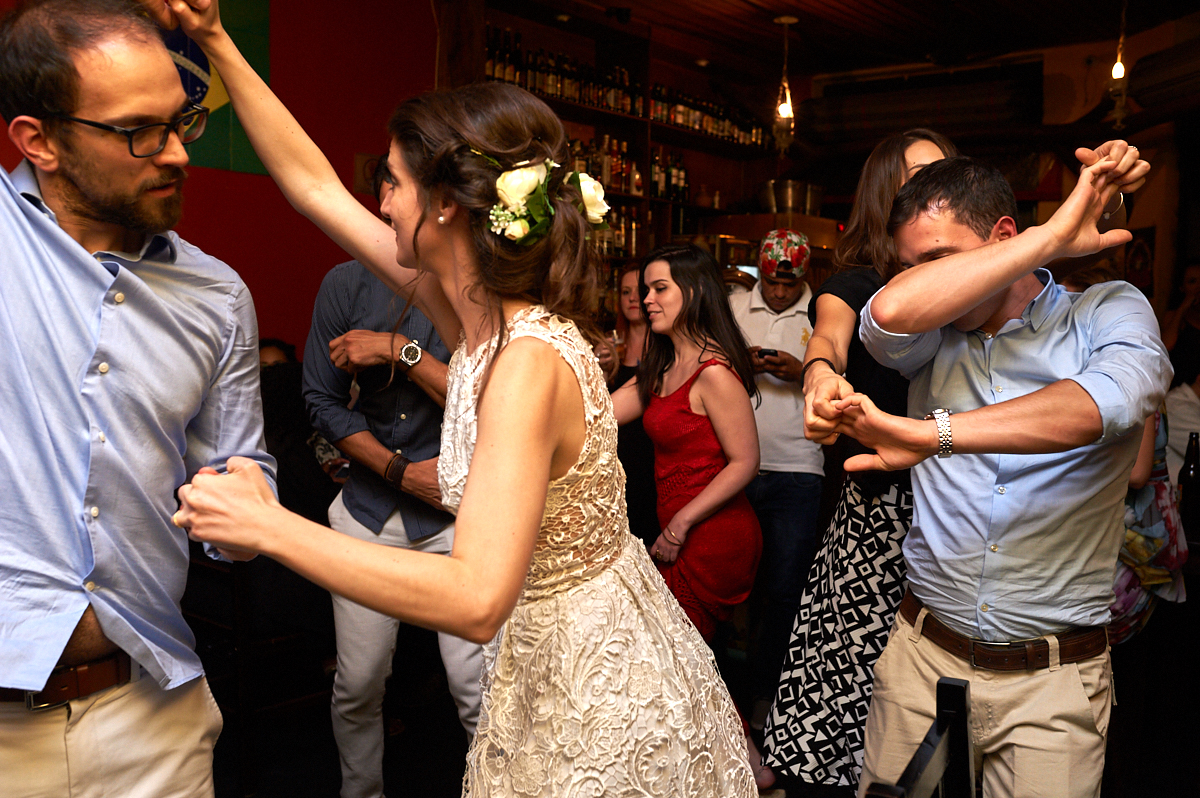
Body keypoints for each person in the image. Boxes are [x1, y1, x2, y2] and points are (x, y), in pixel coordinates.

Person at [161, 1, 757, 795]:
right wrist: (214, 41)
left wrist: (271, 527)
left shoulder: (525, 363)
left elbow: (476, 596)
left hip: (592, 684)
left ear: (445, 203)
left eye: (396, 183)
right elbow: (312, 188)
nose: (381, 202)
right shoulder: (476, 319)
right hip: (545, 656)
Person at [0, 1, 276, 796]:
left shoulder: (217, 295)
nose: (178, 154)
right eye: (138, 132)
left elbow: (239, 474)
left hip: (153, 717)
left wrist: (248, 501)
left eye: (180, 121)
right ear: (39, 140)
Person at [826, 152, 1164, 798]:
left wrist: (933, 435)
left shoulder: (1107, 313)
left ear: (1002, 239)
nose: (930, 283)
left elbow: (1101, 406)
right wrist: (1053, 235)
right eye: (911, 264)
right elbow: (890, 312)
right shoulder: (927, 335)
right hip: (922, 659)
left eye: (942, 259)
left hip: (1052, 681)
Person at [761, 128, 954, 790]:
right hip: (883, 514)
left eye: (945, 173)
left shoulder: (973, 286)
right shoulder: (859, 281)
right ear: (885, 193)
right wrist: (818, 376)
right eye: (919, 175)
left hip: (963, 511)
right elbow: (831, 337)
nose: (937, 187)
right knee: (855, 688)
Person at [303, 180, 484, 794]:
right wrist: (398, 472)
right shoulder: (344, 284)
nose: (383, 204)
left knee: (477, 689)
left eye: (395, 187)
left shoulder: (475, 291)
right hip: (368, 513)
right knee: (358, 684)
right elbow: (322, 401)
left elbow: (482, 399)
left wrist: (398, 349)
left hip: (458, 520)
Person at [610, 244, 763, 644]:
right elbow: (601, 412)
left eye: (660, 289)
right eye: (646, 290)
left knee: (680, 665)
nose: (647, 300)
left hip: (711, 537)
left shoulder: (713, 372)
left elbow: (745, 462)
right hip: (675, 533)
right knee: (673, 668)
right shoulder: (663, 366)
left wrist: (679, 525)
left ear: (693, 292)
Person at [727, 228, 825, 728]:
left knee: (785, 593)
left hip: (798, 470)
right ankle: (725, 698)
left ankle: (770, 696)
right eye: (772, 282)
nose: (780, 292)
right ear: (759, 271)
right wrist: (738, 364)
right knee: (729, 587)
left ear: (804, 277)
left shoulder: (823, 314)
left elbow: (842, 380)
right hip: (734, 467)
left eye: (789, 284)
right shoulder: (734, 306)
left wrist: (802, 369)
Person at [607, 263, 659, 548]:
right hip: (616, 456)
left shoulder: (664, 351)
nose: (633, 299)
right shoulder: (610, 346)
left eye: (638, 291)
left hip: (649, 455)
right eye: (625, 292)